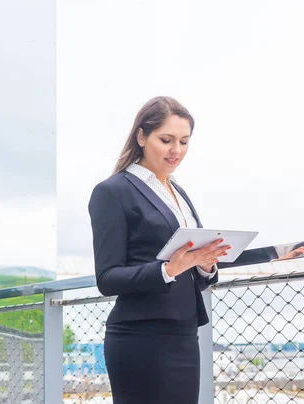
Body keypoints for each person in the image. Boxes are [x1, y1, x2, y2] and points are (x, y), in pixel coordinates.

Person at [88, 96, 229, 403]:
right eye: (166, 140)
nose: (176, 150)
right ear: (141, 137)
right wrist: (169, 269)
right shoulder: (112, 191)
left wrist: (205, 263)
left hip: (184, 332)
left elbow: (191, 267)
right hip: (140, 336)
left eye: (184, 141)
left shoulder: (178, 192)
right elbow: (107, 278)